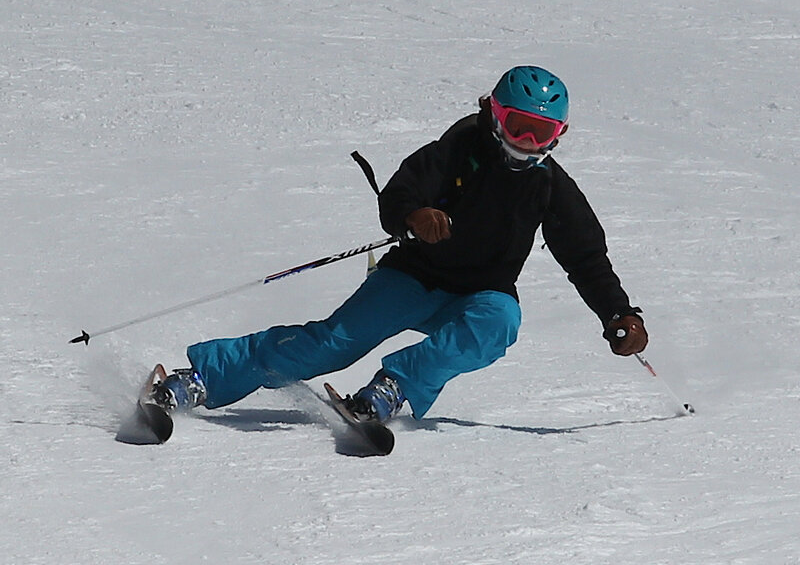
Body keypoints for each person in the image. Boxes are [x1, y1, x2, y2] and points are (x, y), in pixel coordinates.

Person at [151, 65, 648, 423]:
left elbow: (585, 255)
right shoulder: (459, 149)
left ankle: (392, 388)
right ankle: (202, 378)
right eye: (520, 126)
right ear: (495, 116)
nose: (528, 143)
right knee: (331, 346)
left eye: (543, 133)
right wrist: (413, 215)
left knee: (499, 323)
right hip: (414, 276)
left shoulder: (548, 184)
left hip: (479, 294)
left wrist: (617, 313)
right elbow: (402, 190)